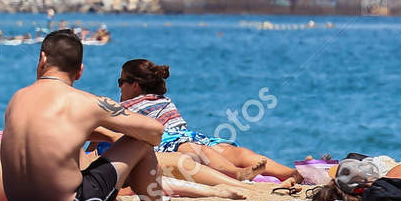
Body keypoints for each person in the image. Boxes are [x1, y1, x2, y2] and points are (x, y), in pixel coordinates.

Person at [0, 30, 174, 201]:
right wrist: (117, 135)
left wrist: (102, 133)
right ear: (80, 71)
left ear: (42, 59)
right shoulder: (86, 103)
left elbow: (54, 134)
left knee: (74, 163)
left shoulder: (17, 98)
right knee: (141, 142)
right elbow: (155, 131)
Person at [117, 59, 297, 182]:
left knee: (233, 152)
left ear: (134, 85)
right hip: (188, 139)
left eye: (120, 81)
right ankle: (242, 173)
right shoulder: (162, 99)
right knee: (219, 151)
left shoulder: (125, 108)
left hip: (171, 142)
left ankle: (290, 173)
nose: (119, 87)